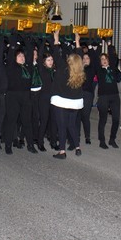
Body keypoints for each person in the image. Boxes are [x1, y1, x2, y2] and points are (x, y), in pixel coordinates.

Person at [50, 30, 85, 159]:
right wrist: (77, 41)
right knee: (72, 125)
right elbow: (80, 54)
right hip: (75, 102)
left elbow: (55, 53)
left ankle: (62, 151)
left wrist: (56, 38)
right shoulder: (80, 71)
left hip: (61, 101)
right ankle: (77, 147)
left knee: (62, 126)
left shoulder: (63, 67)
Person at [95, 41, 121, 149]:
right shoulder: (99, 70)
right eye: (102, 59)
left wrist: (109, 44)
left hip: (114, 96)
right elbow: (96, 57)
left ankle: (112, 139)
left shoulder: (113, 69)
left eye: (106, 59)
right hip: (103, 97)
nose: (104, 61)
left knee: (116, 119)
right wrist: (100, 45)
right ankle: (102, 140)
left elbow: (113, 56)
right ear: (100, 62)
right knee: (103, 119)